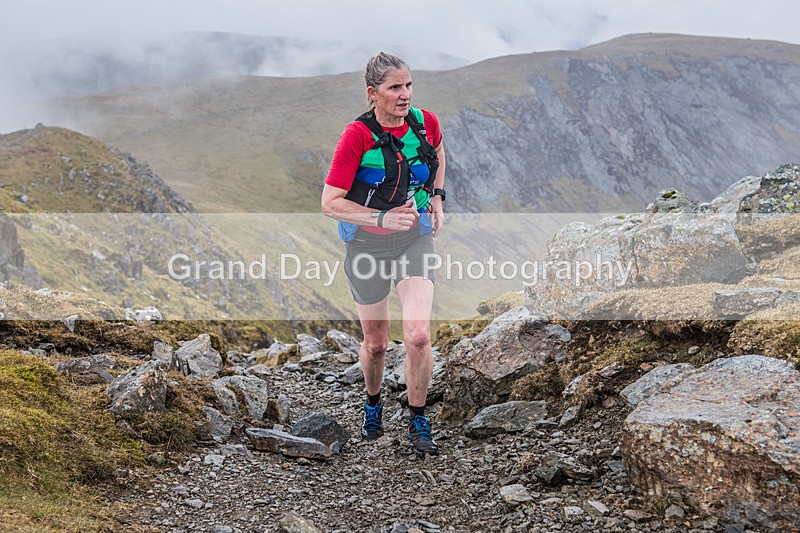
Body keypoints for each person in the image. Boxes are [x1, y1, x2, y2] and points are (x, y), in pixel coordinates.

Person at [321, 52, 447, 456]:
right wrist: (380, 217)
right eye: (395, 87)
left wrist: (439, 199)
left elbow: (438, 154)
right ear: (373, 94)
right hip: (366, 245)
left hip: (415, 238)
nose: (405, 94)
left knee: (418, 334)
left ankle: (417, 418)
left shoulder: (425, 123)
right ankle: (372, 403)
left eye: (408, 85)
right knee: (376, 343)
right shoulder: (357, 135)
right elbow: (329, 201)